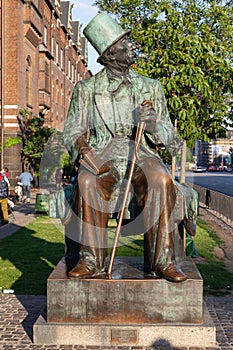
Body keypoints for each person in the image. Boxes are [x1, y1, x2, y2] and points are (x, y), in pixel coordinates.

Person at [62, 12, 196, 282]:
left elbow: (170, 136)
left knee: (160, 179)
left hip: (142, 154)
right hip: (103, 154)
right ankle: (91, 260)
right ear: (111, 54)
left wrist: (153, 124)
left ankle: (163, 260)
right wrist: (85, 152)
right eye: (126, 42)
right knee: (87, 181)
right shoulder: (86, 89)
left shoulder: (152, 87)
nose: (133, 46)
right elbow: (72, 130)